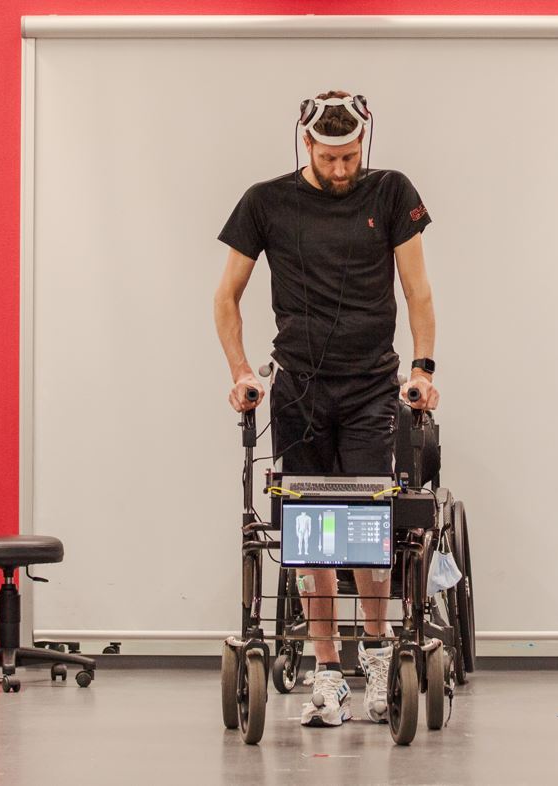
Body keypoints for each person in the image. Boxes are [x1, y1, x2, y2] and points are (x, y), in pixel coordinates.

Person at [214, 90, 439, 727]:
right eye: (329, 157)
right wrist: (239, 372)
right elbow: (226, 295)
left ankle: (372, 656)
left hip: (372, 386)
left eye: (350, 156)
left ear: (363, 144)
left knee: (367, 529)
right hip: (300, 390)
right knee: (310, 533)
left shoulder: (391, 194)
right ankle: (326, 673)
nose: (341, 170)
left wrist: (422, 369)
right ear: (306, 145)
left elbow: (418, 291)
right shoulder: (267, 201)